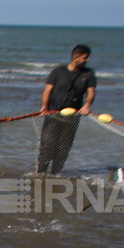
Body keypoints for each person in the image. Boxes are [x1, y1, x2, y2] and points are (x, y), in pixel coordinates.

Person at [38, 45, 96, 176]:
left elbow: (91, 92)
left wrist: (87, 106)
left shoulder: (88, 74)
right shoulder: (58, 72)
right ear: (76, 57)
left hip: (73, 116)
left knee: (63, 148)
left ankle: (55, 174)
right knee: (47, 145)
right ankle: (40, 174)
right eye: (85, 58)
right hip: (53, 114)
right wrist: (44, 107)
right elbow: (48, 90)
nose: (87, 60)